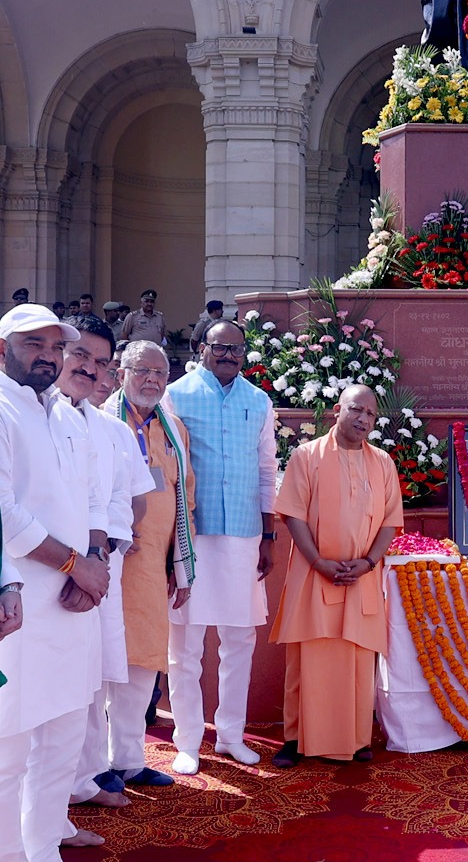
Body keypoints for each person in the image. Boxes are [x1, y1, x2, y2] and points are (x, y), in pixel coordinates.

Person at [0, 304, 109, 862]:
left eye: (53, 346)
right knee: (10, 745)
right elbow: (6, 514)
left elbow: (92, 498)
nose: (46, 356)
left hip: (75, 603)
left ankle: (44, 850)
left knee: (64, 738)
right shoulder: (1, 409)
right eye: (31, 345)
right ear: (3, 350)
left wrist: (92, 561)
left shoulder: (67, 416)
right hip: (18, 602)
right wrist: (76, 566)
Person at [269, 384, 403, 767]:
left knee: (358, 659)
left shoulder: (383, 463)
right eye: (356, 410)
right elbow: (293, 513)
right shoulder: (306, 455)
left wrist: (369, 562)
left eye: (371, 415)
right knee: (307, 657)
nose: (363, 419)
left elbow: (390, 521)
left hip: (361, 577)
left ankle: (357, 739)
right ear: (336, 411)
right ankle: (295, 739)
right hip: (315, 574)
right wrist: (317, 561)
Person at [165, 319, 277, 773]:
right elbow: (168, 464)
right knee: (186, 644)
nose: (228, 355)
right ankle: (187, 740)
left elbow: (267, 469)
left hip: (245, 534)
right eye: (219, 347)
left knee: (239, 640)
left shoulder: (259, 400)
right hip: (194, 533)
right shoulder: (178, 394)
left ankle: (230, 735)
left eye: (236, 348)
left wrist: (268, 535)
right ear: (200, 348)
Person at [56, 319, 154, 841]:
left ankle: (83, 776)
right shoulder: (42, 414)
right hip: (47, 569)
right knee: (54, 689)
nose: (90, 369)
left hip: (101, 568)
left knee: (91, 679)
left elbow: (122, 501)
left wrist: (97, 558)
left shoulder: (109, 430)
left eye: (99, 361)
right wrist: (76, 563)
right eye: (80, 356)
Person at [105, 342, 195, 789]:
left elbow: (186, 500)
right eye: (143, 370)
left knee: (141, 666)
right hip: (102, 567)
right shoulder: (101, 421)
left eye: (161, 373)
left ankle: (127, 760)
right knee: (98, 668)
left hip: (150, 571)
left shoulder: (173, 429)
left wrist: (182, 567)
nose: (153, 380)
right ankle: (89, 770)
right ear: (122, 371)